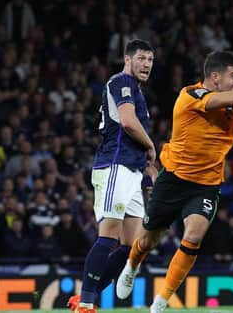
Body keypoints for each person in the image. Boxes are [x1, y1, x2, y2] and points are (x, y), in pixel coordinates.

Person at [115, 50, 233, 313]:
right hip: (174, 179)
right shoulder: (191, 96)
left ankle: (161, 301)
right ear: (215, 77)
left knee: (194, 234)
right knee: (146, 241)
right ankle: (132, 267)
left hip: (207, 184)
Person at [69, 39, 156, 313]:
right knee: (108, 237)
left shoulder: (137, 92)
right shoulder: (121, 82)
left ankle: (86, 298)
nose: (146, 64)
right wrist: (151, 145)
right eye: (141, 58)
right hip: (114, 167)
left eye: (150, 60)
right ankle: (85, 303)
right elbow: (128, 123)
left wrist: (146, 167)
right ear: (127, 59)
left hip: (131, 170)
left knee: (132, 247)